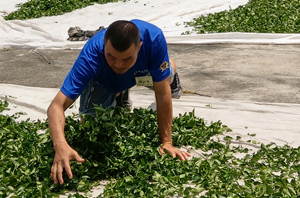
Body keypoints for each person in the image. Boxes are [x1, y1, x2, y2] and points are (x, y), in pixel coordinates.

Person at [47, 19, 191, 185]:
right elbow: (56, 106)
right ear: (104, 45)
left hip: (141, 73)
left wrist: (167, 142)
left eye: (126, 59)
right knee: (91, 124)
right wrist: (60, 145)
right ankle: (118, 92)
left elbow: (161, 92)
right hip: (104, 81)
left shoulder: (154, 39)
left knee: (165, 77)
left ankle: (169, 71)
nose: (118, 64)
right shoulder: (91, 55)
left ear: (139, 47)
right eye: (111, 56)